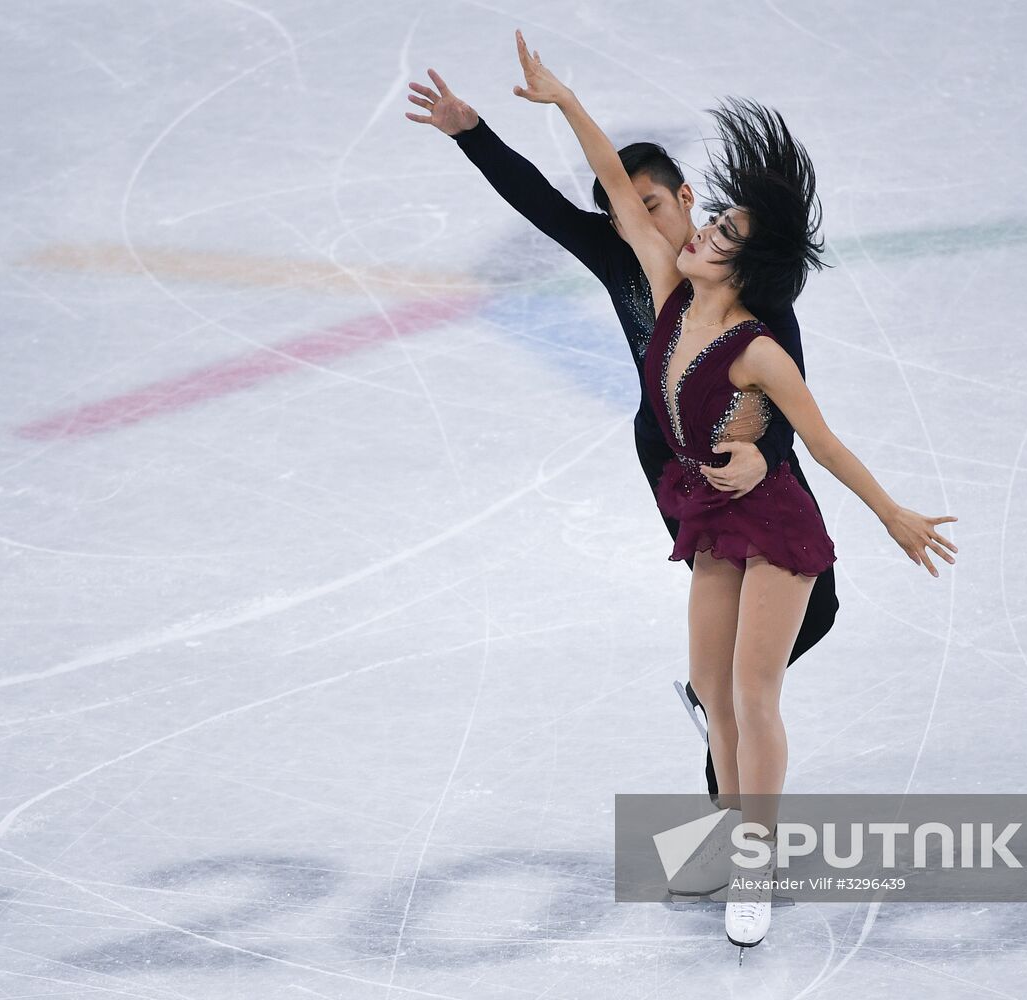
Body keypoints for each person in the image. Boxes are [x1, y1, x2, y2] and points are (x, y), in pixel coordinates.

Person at [499, 31, 959, 954]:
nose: (700, 231)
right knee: (710, 692)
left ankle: (757, 864)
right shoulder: (667, 287)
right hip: (711, 520)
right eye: (712, 221)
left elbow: (820, 441)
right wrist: (567, 101)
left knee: (751, 696)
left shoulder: (758, 347)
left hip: (776, 526)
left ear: (742, 266)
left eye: (722, 234)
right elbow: (617, 190)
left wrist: (893, 515)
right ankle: (724, 837)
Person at [404, 56, 838, 811]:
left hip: (756, 454)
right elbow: (538, 200)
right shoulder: (620, 252)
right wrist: (471, 133)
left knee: (818, 609)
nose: (636, 219)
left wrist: (763, 455)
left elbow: (788, 388)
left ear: (685, 197)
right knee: (727, 641)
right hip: (669, 454)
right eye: (621, 210)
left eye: (650, 204)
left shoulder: (746, 283)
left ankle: (727, 706)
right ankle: (727, 765)